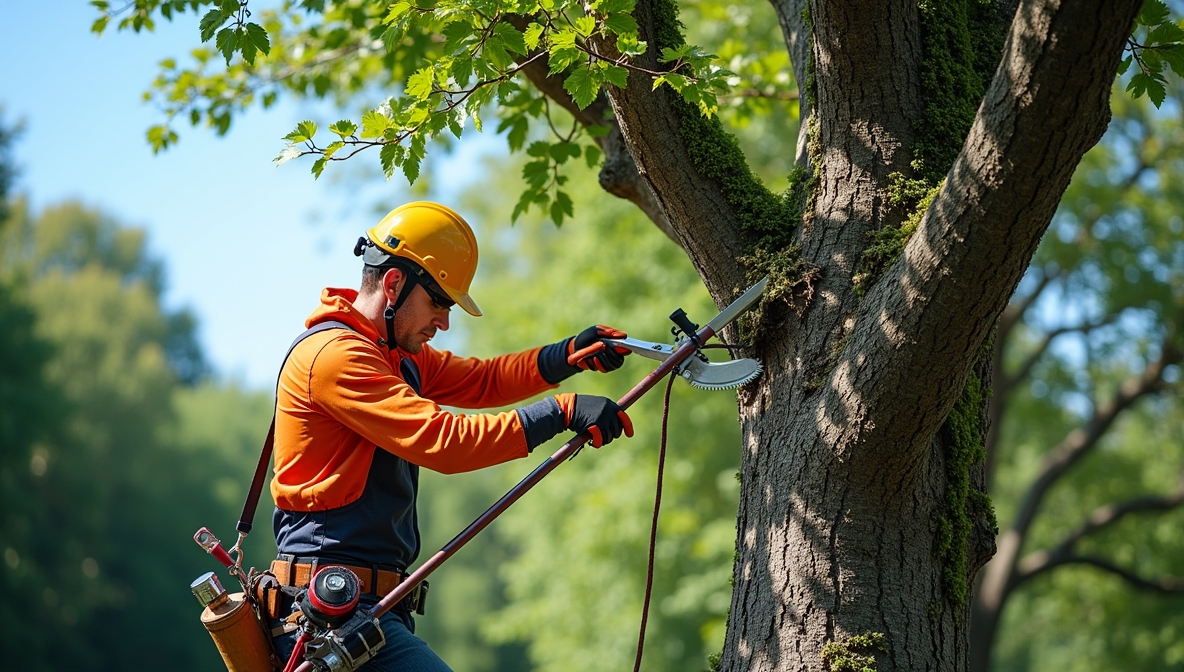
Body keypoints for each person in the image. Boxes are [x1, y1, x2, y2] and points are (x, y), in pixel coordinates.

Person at [265, 201, 633, 671]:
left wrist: (566, 356)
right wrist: (560, 412)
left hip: (365, 613)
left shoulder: (392, 353)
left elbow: (482, 380)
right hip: (328, 616)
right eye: (439, 301)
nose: (444, 321)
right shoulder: (338, 357)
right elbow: (445, 441)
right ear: (395, 284)